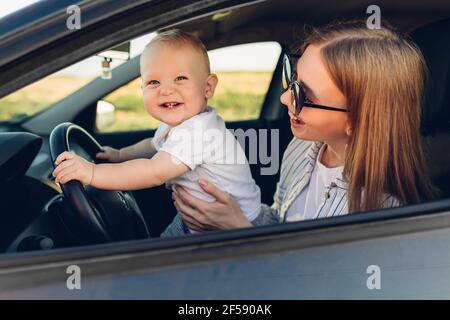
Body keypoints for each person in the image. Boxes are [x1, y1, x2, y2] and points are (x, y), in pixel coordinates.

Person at [169, 20, 441, 233]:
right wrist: (236, 208)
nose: (285, 97)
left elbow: (311, 282)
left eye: (305, 96)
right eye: (293, 80)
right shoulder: (304, 147)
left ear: (357, 119)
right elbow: (281, 221)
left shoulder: (380, 211)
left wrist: (238, 229)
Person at [52, 29, 261, 236]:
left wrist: (92, 173)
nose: (166, 90)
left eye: (180, 78)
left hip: (231, 231)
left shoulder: (199, 132)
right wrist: (120, 155)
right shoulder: (182, 124)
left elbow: (154, 172)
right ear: (142, 88)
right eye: (154, 82)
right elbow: (152, 145)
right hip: (199, 221)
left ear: (207, 87)